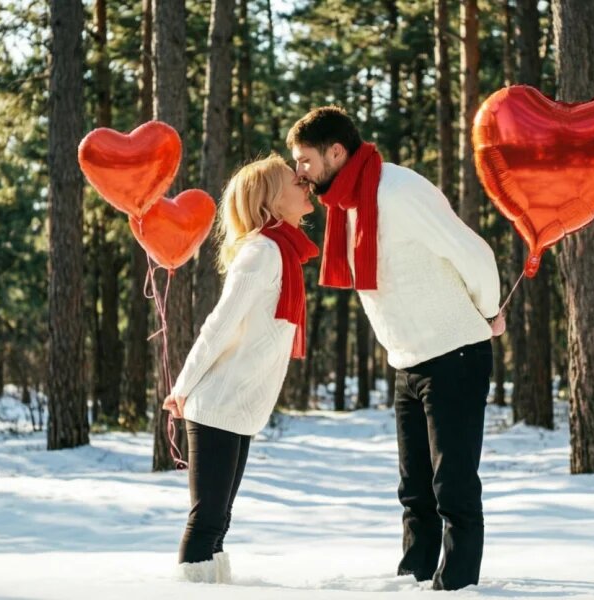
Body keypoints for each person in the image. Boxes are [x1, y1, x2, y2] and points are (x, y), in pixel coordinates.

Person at [287, 106, 501, 591]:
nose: (299, 172)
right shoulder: (346, 203)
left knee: (452, 486)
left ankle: (457, 586)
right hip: (408, 359)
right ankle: (413, 580)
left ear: (335, 152)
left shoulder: (398, 192)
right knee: (415, 491)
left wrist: (489, 312)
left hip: (454, 352)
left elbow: (473, 252)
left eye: (304, 160)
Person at [163, 155, 318, 584]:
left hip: (238, 407)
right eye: (295, 181)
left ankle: (213, 589)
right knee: (208, 521)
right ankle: (192, 592)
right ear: (271, 200)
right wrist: (181, 388)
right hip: (217, 403)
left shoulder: (281, 251)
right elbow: (218, 326)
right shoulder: (261, 252)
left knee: (219, 520)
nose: (305, 183)